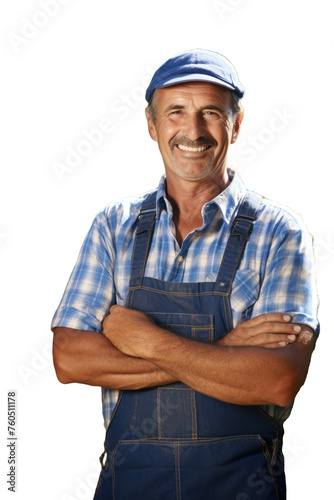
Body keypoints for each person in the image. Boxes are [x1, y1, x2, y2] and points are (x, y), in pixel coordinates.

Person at [51, 49, 319, 499]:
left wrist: (144, 339)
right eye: (175, 112)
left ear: (235, 125)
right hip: (129, 486)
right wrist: (225, 351)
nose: (192, 131)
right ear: (152, 125)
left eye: (210, 113)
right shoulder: (113, 227)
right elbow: (70, 359)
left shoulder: (280, 232)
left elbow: (277, 378)